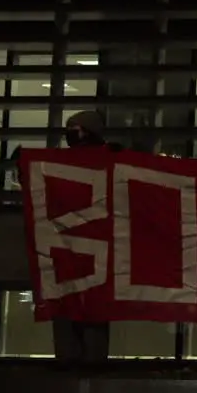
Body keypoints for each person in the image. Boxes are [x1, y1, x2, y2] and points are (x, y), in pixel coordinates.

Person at [53, 110, 120, 366]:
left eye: (76, 129)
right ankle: (70, 358)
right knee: (66, 302)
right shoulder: (59, 161)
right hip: (66, 244)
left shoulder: (111, 158)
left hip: (96, 244)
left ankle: (91, 359)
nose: (72, 134)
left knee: (93, 304)